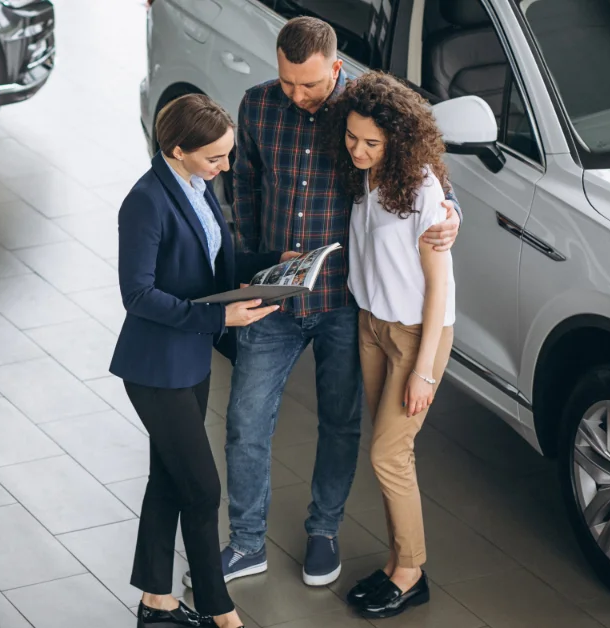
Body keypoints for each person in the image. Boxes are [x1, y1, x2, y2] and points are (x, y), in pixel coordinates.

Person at [203, 16, 463, 589]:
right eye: (288, 82)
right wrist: (250, 257)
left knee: (341, 424)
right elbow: (242, 181)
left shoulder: (363, 117)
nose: (298, 95)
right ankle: (246, 543)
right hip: (273, 294)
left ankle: (324, 532)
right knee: (245, 421)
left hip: (346, 302)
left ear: (336, 69)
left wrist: (452, 215)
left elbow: (425, 175)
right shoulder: (257, 106)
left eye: (311, 85)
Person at [110, 93, 297, 628]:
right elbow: (138, 295)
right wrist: (220, 320)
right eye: (216, 157)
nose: (226, 167)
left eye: (228, 155)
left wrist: (272, 263)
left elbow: (217, 263)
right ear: (177, 149)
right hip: (155, 369)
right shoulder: (146, 201)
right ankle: (219, 611)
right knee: (202, 487)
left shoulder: (198, 187)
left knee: (168, 477)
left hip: (189, 361)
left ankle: (156, 603)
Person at [324, 71, 455, 619]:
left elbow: (440, 285)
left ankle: (410, 572)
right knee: (392, 456)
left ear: (397, 141)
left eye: (371, 143)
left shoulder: (421, 188)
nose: (358, 149)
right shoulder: (365, 175)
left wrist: (424, 370)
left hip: (415, 336)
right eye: (352, 137)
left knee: (386, 454)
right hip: (371, 326)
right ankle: (400, 561)